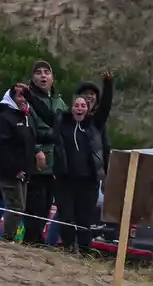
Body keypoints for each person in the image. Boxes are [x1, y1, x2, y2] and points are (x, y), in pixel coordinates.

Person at [21, 60, 67, 245]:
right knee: (34, 206)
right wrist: (37, 150)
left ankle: (38, 240)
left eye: (46, 72)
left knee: (47, 206)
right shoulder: (28, 99)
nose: (43, 76)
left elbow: (65, 129)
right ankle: (30, 241)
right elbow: (27, 130)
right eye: (38, 72)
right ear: (33, 77)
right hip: (37, 161)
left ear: (52, 77)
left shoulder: (59, 101)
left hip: (56, 162)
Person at [0, 83, 41, 244]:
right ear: (12, 97)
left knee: (20, 207)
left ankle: (9, 237)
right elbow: (2, 148)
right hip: (9, 172)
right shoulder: (5, 118)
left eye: (26, 95)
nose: (23, 99)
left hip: (24, 172)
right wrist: (15, 169)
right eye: (20, 95)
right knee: (16, 206)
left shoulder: (27, 117)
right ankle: (6, 239)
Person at [54, 94, 104, 251]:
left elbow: (105, 108)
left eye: (83, 106)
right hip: (66, 180)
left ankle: (84, 250)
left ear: (88, 110)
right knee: (66, 216)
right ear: (71, 108)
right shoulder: (63, 124)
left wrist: (108, 86)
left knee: (85, 218)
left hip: (88, 181)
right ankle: (67, 246)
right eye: (76, 105)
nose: (80, 108)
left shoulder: (93, 125)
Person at [74, 71, 113, 174]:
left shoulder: (97, 121)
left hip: (95, 174)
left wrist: (108, 85)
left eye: (92, 94)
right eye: (85, 93)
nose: (89, 96)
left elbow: (105, 107)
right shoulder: (68, 120)